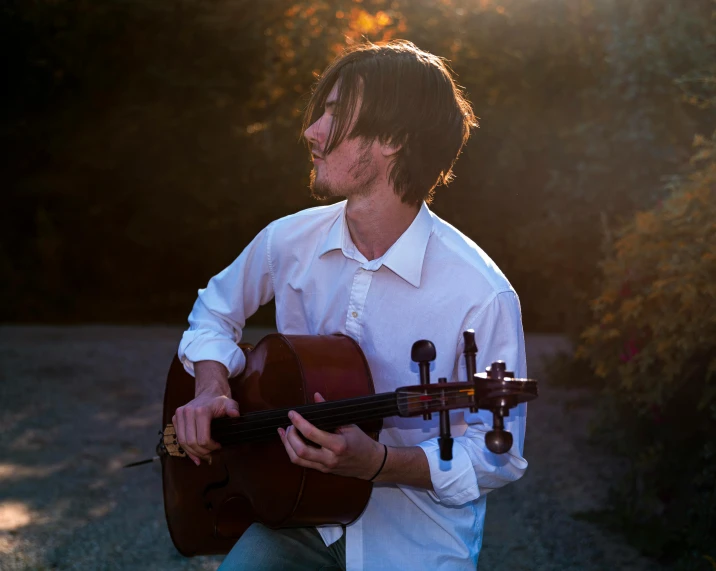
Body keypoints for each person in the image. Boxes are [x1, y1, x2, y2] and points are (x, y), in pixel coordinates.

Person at [174, 40, 528, 571]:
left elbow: (497, 456)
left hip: (413, 541)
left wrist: (381, 463)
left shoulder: (480, 293)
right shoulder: (286, 241)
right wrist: (209, 387)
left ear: (392, 140)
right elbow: (214, 311)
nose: (312, 130)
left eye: (335, 116)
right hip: (295, 516)